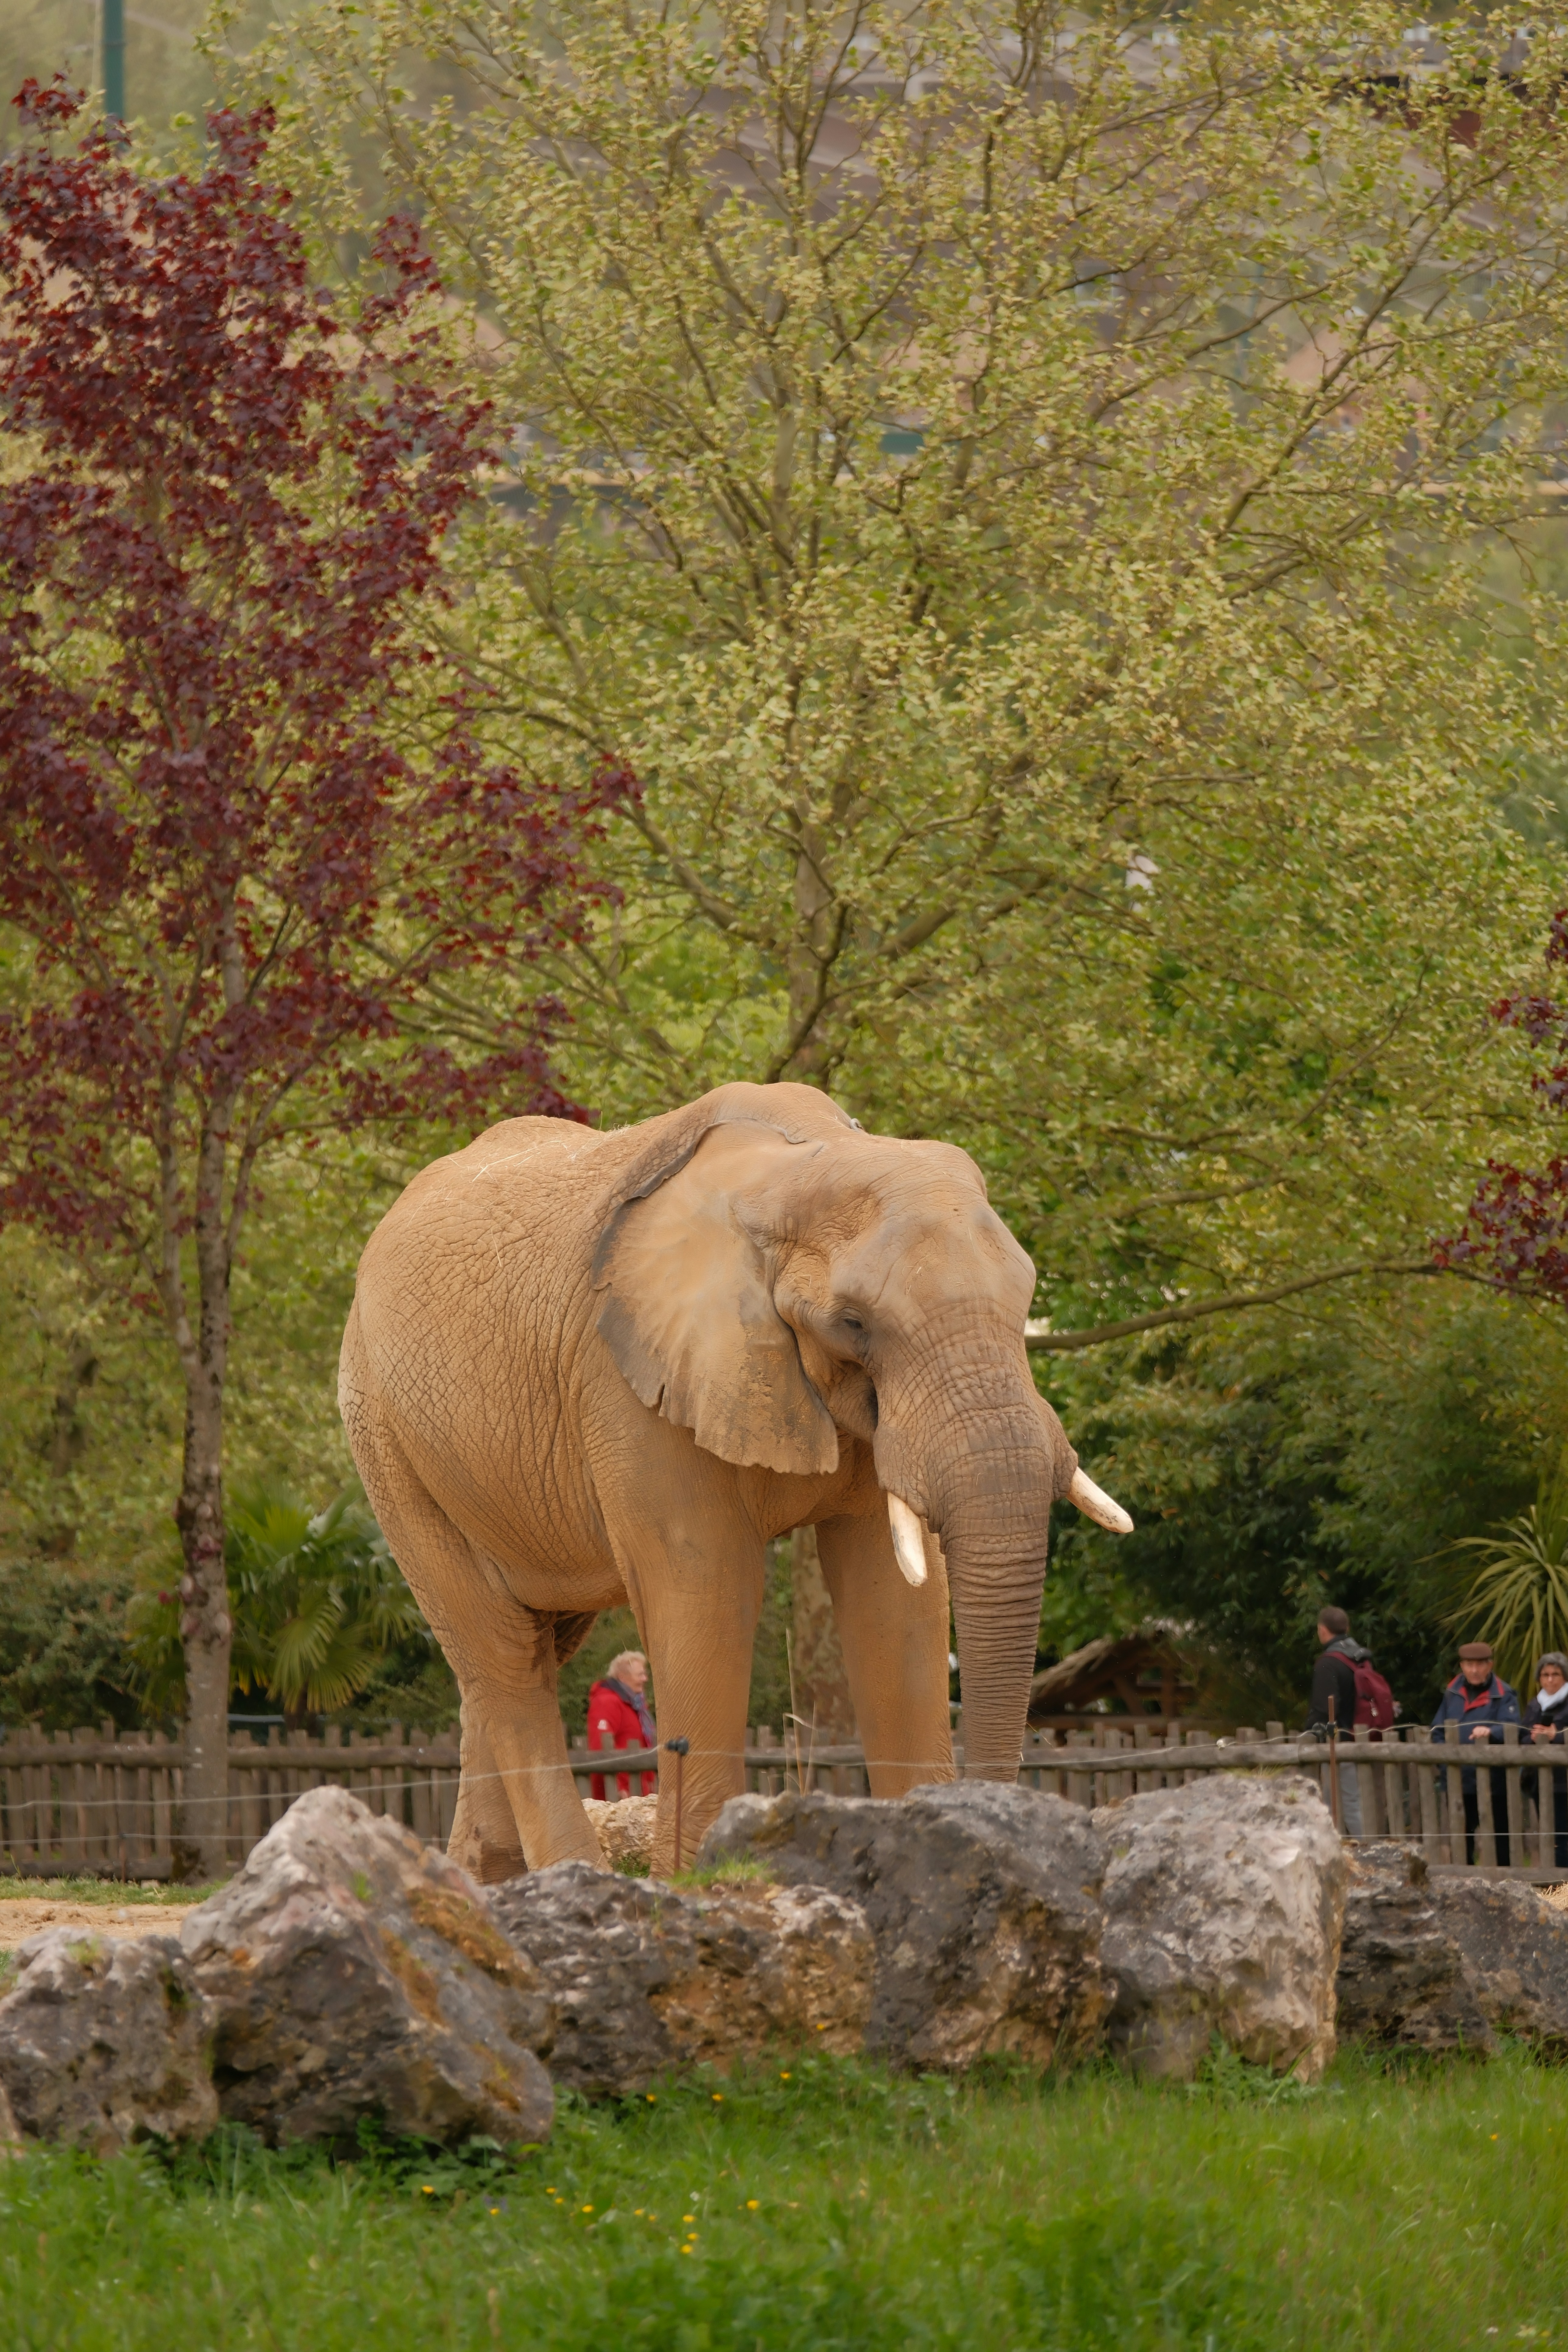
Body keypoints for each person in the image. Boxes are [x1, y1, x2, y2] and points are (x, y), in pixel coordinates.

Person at [1430, 1641, 1520, 1866]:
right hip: (1459, 1780)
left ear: (1490, 1666)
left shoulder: (1504, 1694)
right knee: (1461, 1837)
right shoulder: (1452, 1693)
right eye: (1469, 1665)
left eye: (1480, 1665)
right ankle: (1465, 1885)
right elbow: (1437, 1731)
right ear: (1462, 1666)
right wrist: (1446, 1765)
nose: (1474, 1670)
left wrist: (1491, 1731)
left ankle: (1504, 1885)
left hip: (1494, 1781)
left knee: (1500, 1837)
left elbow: (1513, 1728)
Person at [1307, 1605, 1370, 1836]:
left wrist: (1309, 1732)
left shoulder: (1329, 1663)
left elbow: (1324, 1707)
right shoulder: (1361, 1657)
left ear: (1323, 1630)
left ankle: (1366, 1851)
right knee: (1357, 1802)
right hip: (1362, 1738)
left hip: (1339, 1741)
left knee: (1343, 1803)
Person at [587, 1650, 657, 1799]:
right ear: (622, 1677)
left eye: (645, 1674)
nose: (645, 1679)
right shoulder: (607, 1702)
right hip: (620, 1796)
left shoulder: (636, 1706)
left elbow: (645, 1746)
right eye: (640, 1675)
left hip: (640, 1792)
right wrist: (619, 1789)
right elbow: (600, 1747)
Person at [1522, 1650, 1568, 1869]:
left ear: (1565, 1677)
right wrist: (1532, 1737)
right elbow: (1520, 1736)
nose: (1550, 1679)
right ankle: (1556, 1882)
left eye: (1556, 1674)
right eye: (1545, 1674)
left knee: (1564, 1835)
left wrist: (1555, 1735)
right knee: (1550, 1834)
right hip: (1540, 1781)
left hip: (1564, 1782)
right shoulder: (1535, 1705)